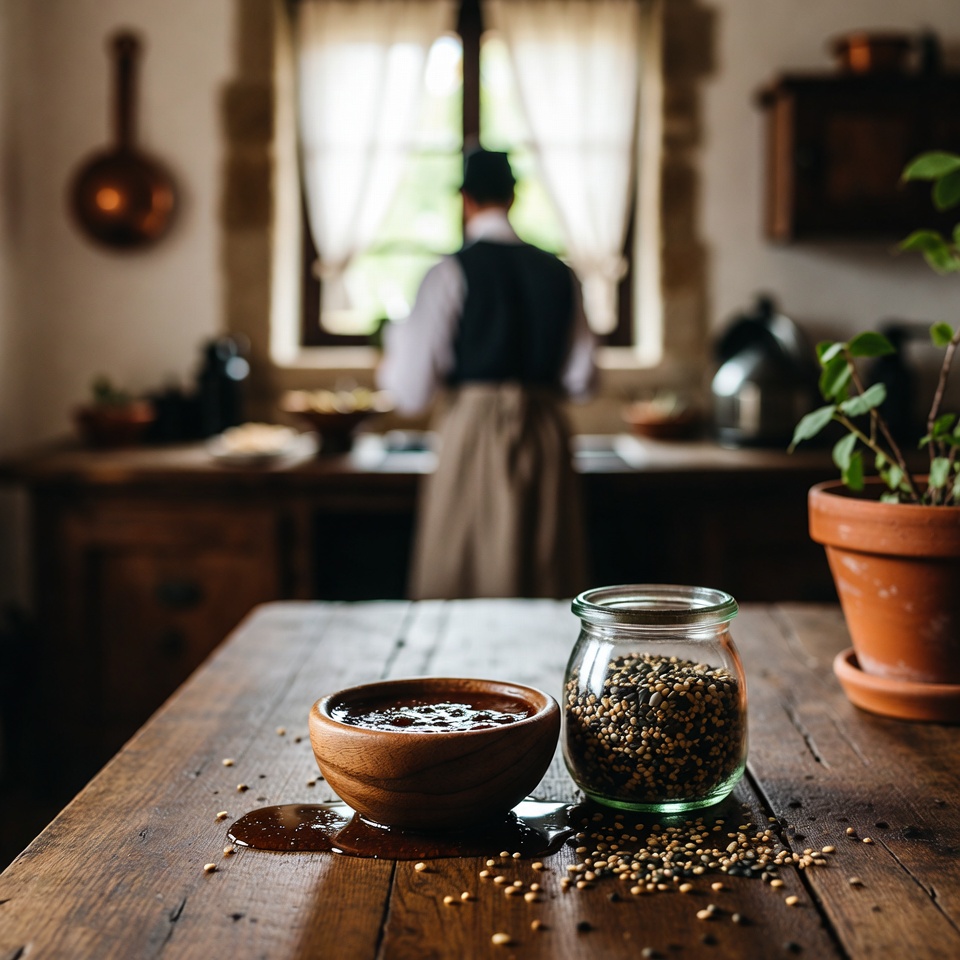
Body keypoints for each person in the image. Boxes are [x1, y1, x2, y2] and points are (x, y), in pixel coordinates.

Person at [377, 147, 597, 599]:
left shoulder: (447, 273)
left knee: (467, 573)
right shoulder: (561, 274)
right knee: (543, 573)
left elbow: (411, 392)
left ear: (466, 199)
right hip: (544, 432)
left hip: (473, 432)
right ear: (512, 198)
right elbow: (582, 381)